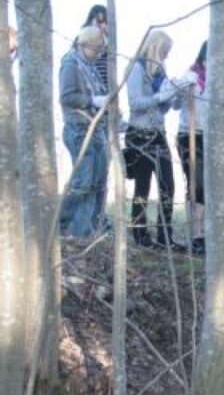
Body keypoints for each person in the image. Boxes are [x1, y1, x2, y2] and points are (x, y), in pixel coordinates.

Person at [125, 29, 195, 251]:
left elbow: (167, 107)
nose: (167, 55)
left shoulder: (160, 72)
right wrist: (158, 96)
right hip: (139, 133)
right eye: (165, 50)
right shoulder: (136, 68)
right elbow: (135, 103)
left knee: (168, 185)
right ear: (155, 47)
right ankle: (140, 234)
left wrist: (177, 92)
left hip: (158, 133)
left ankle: (165, 236)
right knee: (142, 186)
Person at [58, 26, 109, 239]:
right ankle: (59, 222)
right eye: (95, 49)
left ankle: (83, 232)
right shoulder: (71, 64)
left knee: (96, 181)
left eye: (100, 51)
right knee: (82, 181)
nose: (98, 54)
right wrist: (92, 101)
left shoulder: (92, 67)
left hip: (95, 128)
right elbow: (67, 97)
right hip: (78, 128)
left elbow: (101, 93)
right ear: (84, 44)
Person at [177, 40, 207, 254]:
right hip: (189, 134)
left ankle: (204, 232)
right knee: (196, 184)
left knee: (206, 186)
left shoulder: (218, 79)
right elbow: (175, 104)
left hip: (209, 137)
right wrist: (183, 86)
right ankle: (195, 233)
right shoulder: (191, 75)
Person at [81, 5, 109, 89]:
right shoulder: (82, 43)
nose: (103, 26)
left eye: (106, 22)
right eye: (99, 21)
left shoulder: (107, 47)